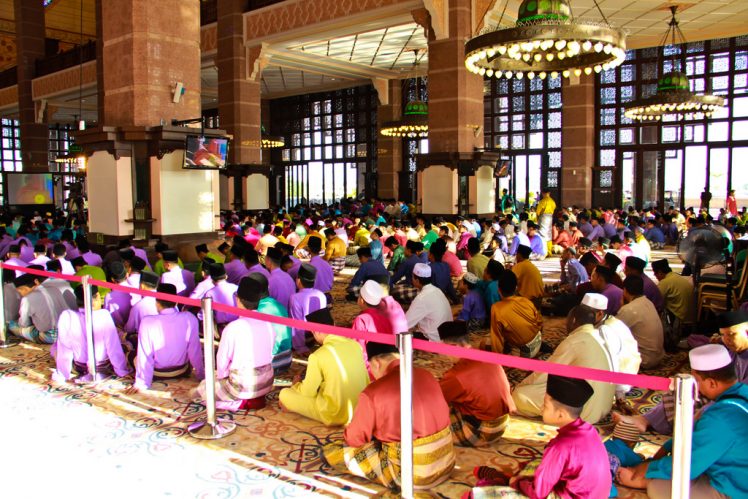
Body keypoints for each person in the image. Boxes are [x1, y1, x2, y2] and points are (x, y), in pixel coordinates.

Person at [616, 344, 748, 499]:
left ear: (712, 383)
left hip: (736, 488)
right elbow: (695, 433)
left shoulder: (719, 418)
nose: (695, 387)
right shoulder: (741, 393)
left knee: (661, 486)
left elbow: (688, 466)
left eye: (697, 381)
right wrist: (665, 448)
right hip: (732, 471)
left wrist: (644, 471)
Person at [322, 341, 456, 490]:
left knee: (334, 452)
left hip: (411, 476)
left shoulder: (373, 392)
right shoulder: (427, 374)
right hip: (446, 462)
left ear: (377, 363)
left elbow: (354, 438)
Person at [469, 375, 611, 499]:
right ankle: (508, 479)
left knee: (476, 496)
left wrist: (515, 483)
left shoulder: (559, 447)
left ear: (561, 414)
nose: (542, 408)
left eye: (545, 405)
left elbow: (538, 493)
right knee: (538, 465)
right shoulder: (589, 430)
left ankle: (505, 480)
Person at [513, 295, 617, 424]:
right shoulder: (599, 336)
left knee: (520, 396)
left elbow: (545, 373)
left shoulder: (576, 341)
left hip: (586, 412)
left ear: (573, 320)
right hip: (604, 404)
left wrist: (523, 384)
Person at [195, 276, 277, 411]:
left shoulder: (233, 327)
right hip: (266, 382)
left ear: (238, 299)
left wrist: (222, 380)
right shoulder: (268, 323)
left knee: (203, 389)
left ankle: (238, 403)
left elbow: (222, 363)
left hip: (241, 387)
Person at [279, 307, 369, 425]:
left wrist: (296, 385)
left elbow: (308, 392)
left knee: (284, 394)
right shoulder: (355, 345)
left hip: (334, 413)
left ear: (316, 332)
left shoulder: (317, 356)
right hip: (360, 408)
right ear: (334, 324)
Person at [438, 321, 514, 447]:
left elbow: (435, 398)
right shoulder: (488, 356)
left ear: (453, 346)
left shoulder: (456, 374)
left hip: (482, 432)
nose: (444, 355)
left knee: (429, 415)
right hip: (503, 424)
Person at [51, 285, 130, 382]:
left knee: (55, 347)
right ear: (96, 297)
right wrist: (122, 371)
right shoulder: (103, 315)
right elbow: (113, 347)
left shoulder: (67, 316)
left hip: (78, 367)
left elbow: (65, 350)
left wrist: (62, 374)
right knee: (125, 343)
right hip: (102, 368)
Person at [133, 284, 204, 390]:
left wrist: (142, 383)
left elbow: (145, 356)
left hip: (158, 373)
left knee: (132, 353)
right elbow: (195, 351)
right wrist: (201, 375)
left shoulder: (147, 322)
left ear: (157, 302)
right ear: (176, 302)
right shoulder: (189, 318)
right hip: (182, 371)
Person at [489, 270, 543, 358]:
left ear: (499, 289)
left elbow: (496, 339)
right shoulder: (526, 301)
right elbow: (540, 322)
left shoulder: (496, 308)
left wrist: (497, 360)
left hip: (524, 351)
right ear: (516, 288)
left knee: (484, 344)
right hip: (538, 340)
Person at [247, 272, 293, 373]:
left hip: (271, 363)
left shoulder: (257, 310)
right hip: (287, 358)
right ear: (267, 287)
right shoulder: (278, 305)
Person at [9, 271, 72, 344]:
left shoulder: (27, 299)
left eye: (19, 292)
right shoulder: (54, 289)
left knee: (12, 325)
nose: (19, 295)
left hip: (50, 336)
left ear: (23, 288)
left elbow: (24, 324)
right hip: (67, 331)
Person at [617, 275, 664, 369]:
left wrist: (621, 306)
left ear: (625, 290)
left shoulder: (628, 309)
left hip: (644, 359)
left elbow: (612, 330)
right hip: (658, 356)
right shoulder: (648, 302)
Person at [405, 263, 452, 342]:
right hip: (446, 337)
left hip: (434, 340)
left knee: (401, 336)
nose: (411, 279)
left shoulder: (421, 298)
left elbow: (405, 324)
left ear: (417, 280)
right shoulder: (437, 290)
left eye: (412, 277)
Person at [288, 263, 327, 353]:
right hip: (319, 336)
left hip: (305, 339)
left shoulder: (295, 298)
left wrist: (300, 347)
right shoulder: (321, 294)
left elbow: (297, 323)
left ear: (298, 280)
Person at [265, 247, 295, 311]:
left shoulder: (270, 280)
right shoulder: (289, 278)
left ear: (268, 260)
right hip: (287, 317)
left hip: (275, 317)